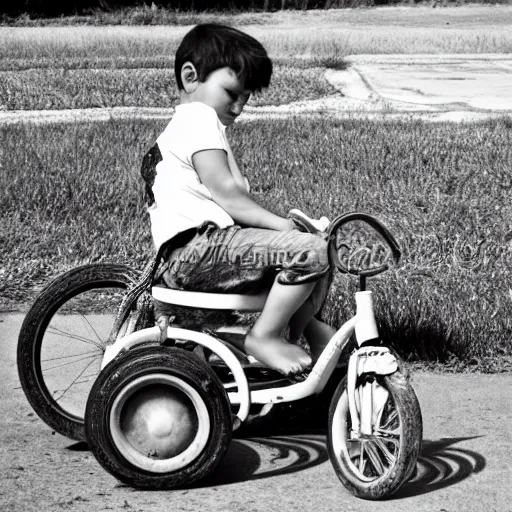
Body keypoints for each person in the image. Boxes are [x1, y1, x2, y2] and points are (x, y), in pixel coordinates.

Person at [141, 24, 335, 377]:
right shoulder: (199, 119)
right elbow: (230, 196)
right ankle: (266, 335)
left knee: (315, 246)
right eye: (232, 92)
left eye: (246, 96)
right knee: (310, 251)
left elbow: (233, 194)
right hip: (199, 251)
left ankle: (307, 331)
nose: (240, 105)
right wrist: (280, 225)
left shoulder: (190, 126)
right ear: (190, 77)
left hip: (190, 255)